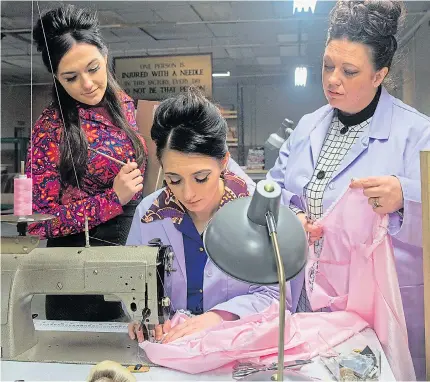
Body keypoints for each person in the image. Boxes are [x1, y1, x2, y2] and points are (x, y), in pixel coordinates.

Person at [267, 1, 430, 379]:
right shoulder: (309, 126)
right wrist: (293, 216)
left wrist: (405, 195)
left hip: (379, 306)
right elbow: (274, 188)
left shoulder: (418, 134)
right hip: (308, 299)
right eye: (327, 66)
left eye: (349, 70)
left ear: (379, 75)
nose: (332, 80)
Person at [126, 89, 282, 344]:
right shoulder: (149, 213)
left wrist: (220, 317)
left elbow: (276, 295)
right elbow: (131, 282)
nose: (188, 193)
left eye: (201, 178)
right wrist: (141, 314)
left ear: (223, 162)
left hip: (236, 345)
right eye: (173, 180)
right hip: (170, 345)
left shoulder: (255, 212)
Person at [26, 5, 147, 321]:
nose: (88, 83)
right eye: (71, 76)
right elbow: (39, 221)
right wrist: (113, 199)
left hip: (131, 252)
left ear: (105, 55)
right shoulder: (49, 129)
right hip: (76, 264)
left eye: (94, 68)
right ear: (55, 75)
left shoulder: (123, 105)